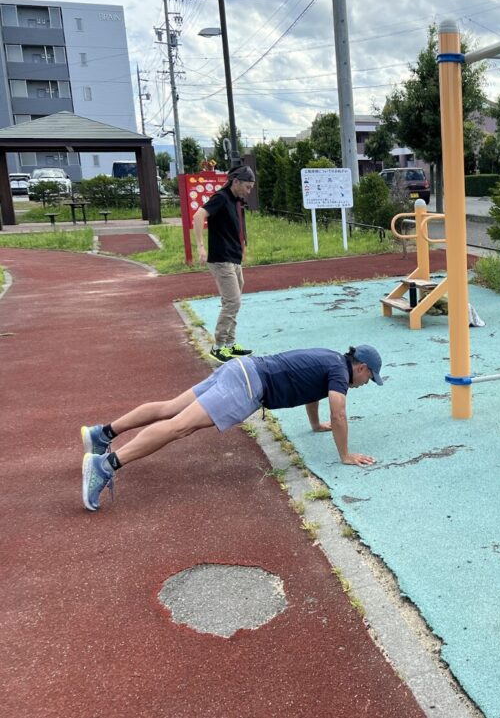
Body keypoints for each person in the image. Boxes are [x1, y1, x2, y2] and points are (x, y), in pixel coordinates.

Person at [80, 345, 384, 512]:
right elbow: (340, 413)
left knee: (171, 407)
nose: (365, 384)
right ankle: (105, 465)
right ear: (362, 368)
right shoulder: (340, 375)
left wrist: (315, 424)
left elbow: (313, 393)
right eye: (369, 379)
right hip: (249, 385)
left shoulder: (330, 360)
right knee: (179, 427)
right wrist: (345, 455)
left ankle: (103, 433)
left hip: (242, 368)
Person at [193, 164, 256, 363]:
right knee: (233, 301)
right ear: (235, 182)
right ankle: (218, 346)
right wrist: (200, 246)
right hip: (221, 259)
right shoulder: (221, 197)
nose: (248, 191)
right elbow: (198, 215)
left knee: (233, 302)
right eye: (247, 187)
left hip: (233, 258)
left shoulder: (234, 200)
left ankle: (229, 344)